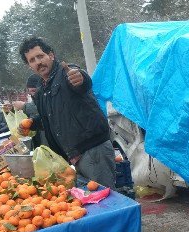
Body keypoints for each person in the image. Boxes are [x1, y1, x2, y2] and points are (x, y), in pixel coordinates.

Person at [18, 37, 116, 188]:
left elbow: (81, 81)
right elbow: (51, 119)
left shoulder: (65, 73)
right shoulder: (43, 89)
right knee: (94, 201)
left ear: (51, 55)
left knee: (106, 201)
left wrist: (80, 77)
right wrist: (32, 123)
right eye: (32, 60)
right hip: (75, 155)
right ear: (29, 66)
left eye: (40, 56)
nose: (38, 62)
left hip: (92, 150)